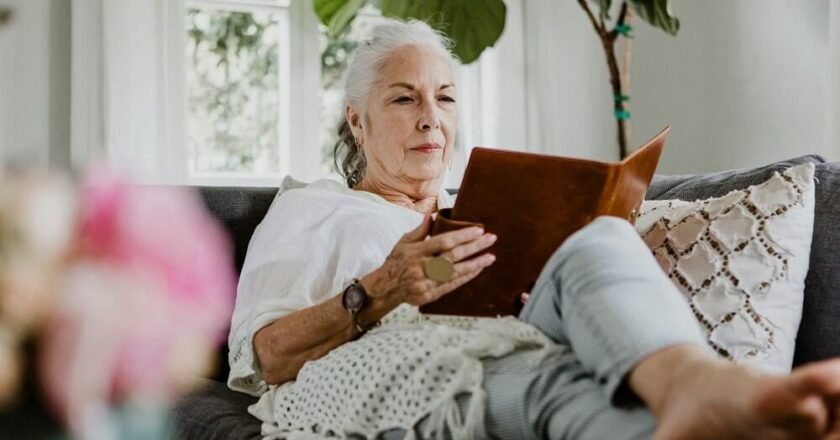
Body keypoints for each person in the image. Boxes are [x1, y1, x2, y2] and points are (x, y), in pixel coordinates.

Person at [227, 18, 840, 440]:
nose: (431, 120)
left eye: (445, 99)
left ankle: (695, 382)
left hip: (515, 335)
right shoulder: (315, 209)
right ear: (357, 123)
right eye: (404, 99)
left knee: (600, 239)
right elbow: (268, 356)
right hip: (386, 364)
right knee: (557, 385)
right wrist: (385, 285)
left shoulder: (482, 210)